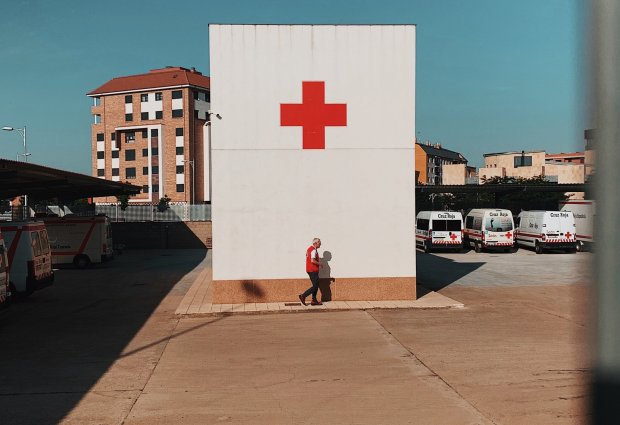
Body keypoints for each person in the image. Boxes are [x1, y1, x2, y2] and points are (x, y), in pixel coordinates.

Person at [299, 238, 322, 306]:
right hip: (312, 270)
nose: (320, 244)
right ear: (315, 243)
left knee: (316, 285)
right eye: (319, 242)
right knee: (315, 286)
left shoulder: (309, 249)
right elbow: (312, 260)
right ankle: (303, 296)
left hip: (310, 270)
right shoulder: (313, 250)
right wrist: (320, 264)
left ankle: (314, 300)